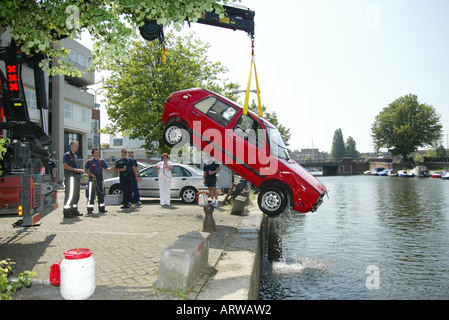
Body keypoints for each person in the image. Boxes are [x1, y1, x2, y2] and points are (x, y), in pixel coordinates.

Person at [84, 147, 114, 214]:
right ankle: (90, 209)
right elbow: (85, 170)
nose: (97, 154)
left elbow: (106, 169)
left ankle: (101, 208)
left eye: (98, 152)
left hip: (100, 178)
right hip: (92, 179)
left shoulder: (102, 161)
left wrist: (112, 168)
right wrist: (91, 174)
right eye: (96, 152)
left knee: (101, 193)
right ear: (93, 154)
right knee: (91, 194)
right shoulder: (89, 161)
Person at [63, 140, 84, 218]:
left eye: (77, 145)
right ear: (71, 146)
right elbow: (65, 166)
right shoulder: (67, 155)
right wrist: (76, 170)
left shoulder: (75, 156)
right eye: (75, 145)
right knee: (70, 195)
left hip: (76, 178)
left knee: (76, 195)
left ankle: (74, 210)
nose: (77, 147)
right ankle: (67, 212)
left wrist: (79, 170)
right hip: (70, 177)